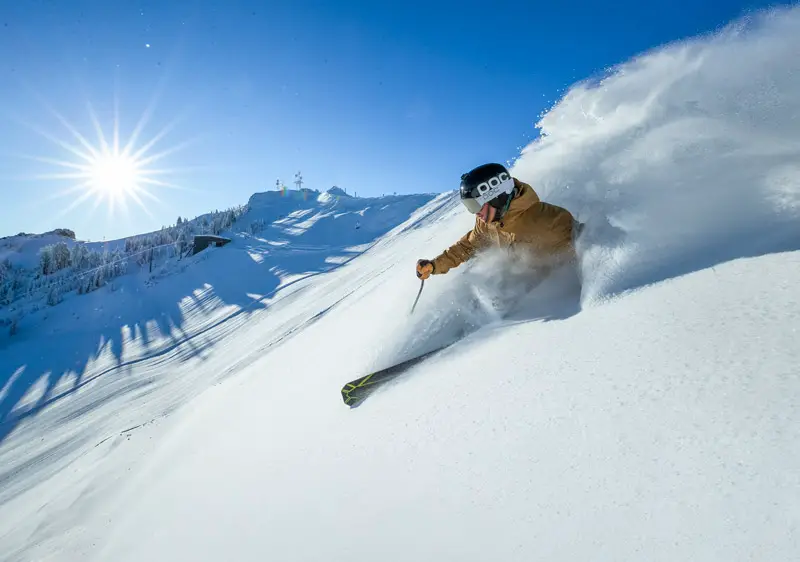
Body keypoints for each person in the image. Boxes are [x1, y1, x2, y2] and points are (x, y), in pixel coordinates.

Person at [416, 163, 582, 281]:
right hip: (517, 286)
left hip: (551, 295)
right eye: (469, 206)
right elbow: (469, 246)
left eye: (475, 205)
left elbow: (588, 241)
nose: (475, 213)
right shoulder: (487, 222)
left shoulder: (548, 220)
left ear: (497, 197)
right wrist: (434, 264)